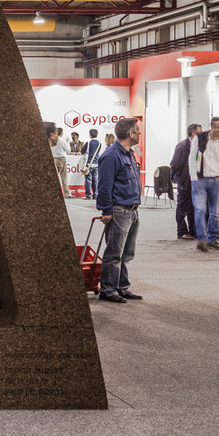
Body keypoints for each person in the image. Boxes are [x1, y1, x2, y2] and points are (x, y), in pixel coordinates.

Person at [95, 116, 144, 304]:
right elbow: (105, 187)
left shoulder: (129, 153)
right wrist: (106, 211)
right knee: (114, 253)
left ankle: (123, 287)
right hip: (119, 211)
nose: (139, 134)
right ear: (130, 134)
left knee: (126, 254)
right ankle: (108, 289)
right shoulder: (111, 155)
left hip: (132, 210)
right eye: (138, 131)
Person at [188, 116, 219, 252]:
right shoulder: (200, 138)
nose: (217, 129)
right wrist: (194, 178)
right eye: (215, 126)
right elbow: (192, 158)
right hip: (200, 180)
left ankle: (212, 239)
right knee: (200, 210)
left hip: (216, 181)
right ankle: (202, 239)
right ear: (211, 126)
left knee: (215, 212)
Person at [169, 123, 204, 241]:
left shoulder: (197, 146)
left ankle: (193, 231)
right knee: (182, 208)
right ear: (194, 133)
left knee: (192, 208)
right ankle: (182, 231)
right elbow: (174, 164)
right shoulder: (183, 146)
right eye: (200, 132)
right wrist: (176, 177)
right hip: (185, 182)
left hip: (194, 182)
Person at [80, 129, 103, 200]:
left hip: (89, 163)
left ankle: (88, 195)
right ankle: (95, 194)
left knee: (88, 180)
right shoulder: (100, 143)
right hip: (96, 163)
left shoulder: (88, 143)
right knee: (95, 179)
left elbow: (82, 151)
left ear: (90, 135)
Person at [45, 123, 66, 189]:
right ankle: (66, 193)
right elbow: (68, 150)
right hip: (61, 159)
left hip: (54, 158)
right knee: (63, 177)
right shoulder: (62, 140)